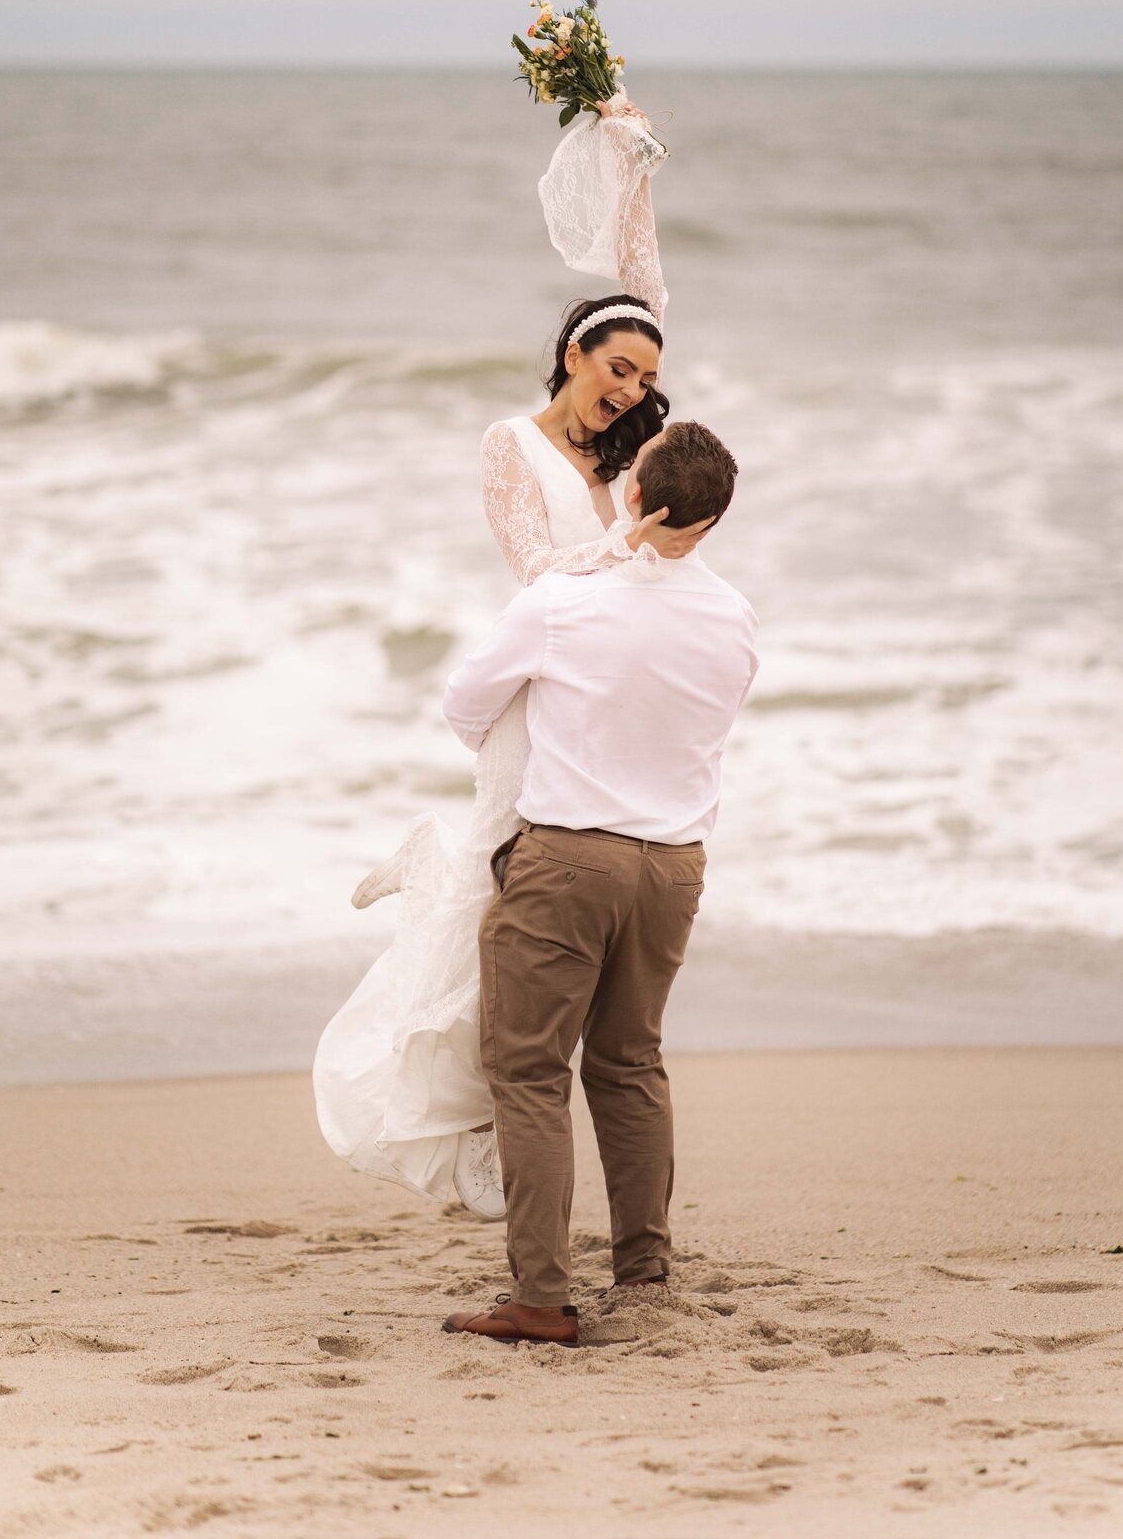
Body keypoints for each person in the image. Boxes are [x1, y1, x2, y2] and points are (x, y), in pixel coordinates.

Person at [312, 98, 709, 1217]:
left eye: (644, 376)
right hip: (540, 685)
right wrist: (624, 547)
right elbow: (537, 570)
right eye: (616, 367)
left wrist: (631, 161)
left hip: (614, 683)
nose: (631, 389)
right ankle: (482, 1112)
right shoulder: (511, 447)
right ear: (574, 353)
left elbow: (649, 285)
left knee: (554, 921)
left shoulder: (636, 456)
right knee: (504, 898)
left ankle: (500, 1086)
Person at [439, 421, 758, 1345]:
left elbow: (465, 705)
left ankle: (540, 1298)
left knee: (530, 1071)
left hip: (570, 858)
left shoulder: (562, 604)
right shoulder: (734, 615)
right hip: (674, 868)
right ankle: (644, 1273)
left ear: (632, 498)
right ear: (711, 520)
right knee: (630, 1065)